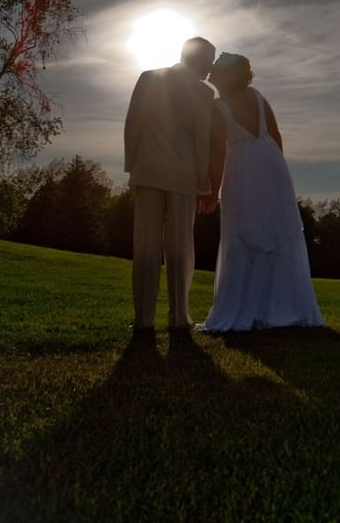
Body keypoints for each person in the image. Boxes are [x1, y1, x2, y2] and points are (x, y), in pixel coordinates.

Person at [197, 52, 324, 332]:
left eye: (216, 68)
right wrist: (276, 172)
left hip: (241, 166)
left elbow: (218, 152)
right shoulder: (257, 96)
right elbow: (276, 136)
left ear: (227, 75)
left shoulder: (219, 107)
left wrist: (211, 191)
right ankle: (280, 305)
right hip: (271, 163)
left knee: (244, 230)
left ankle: (247, 308)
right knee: (275, 232)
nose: (211, 71)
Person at [123, 36, 216, 335]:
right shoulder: (203, 93)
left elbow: (132, 124)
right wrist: (204, 184)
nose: (211, 68)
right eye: (209, 60)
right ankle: (178, 317)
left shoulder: (149, 78)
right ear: (198, 58)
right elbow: (201, 140)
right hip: (184, 176)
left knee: (146, 247)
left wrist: (132, 164)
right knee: (180, 249)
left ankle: (144, 319)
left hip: (148, 171)